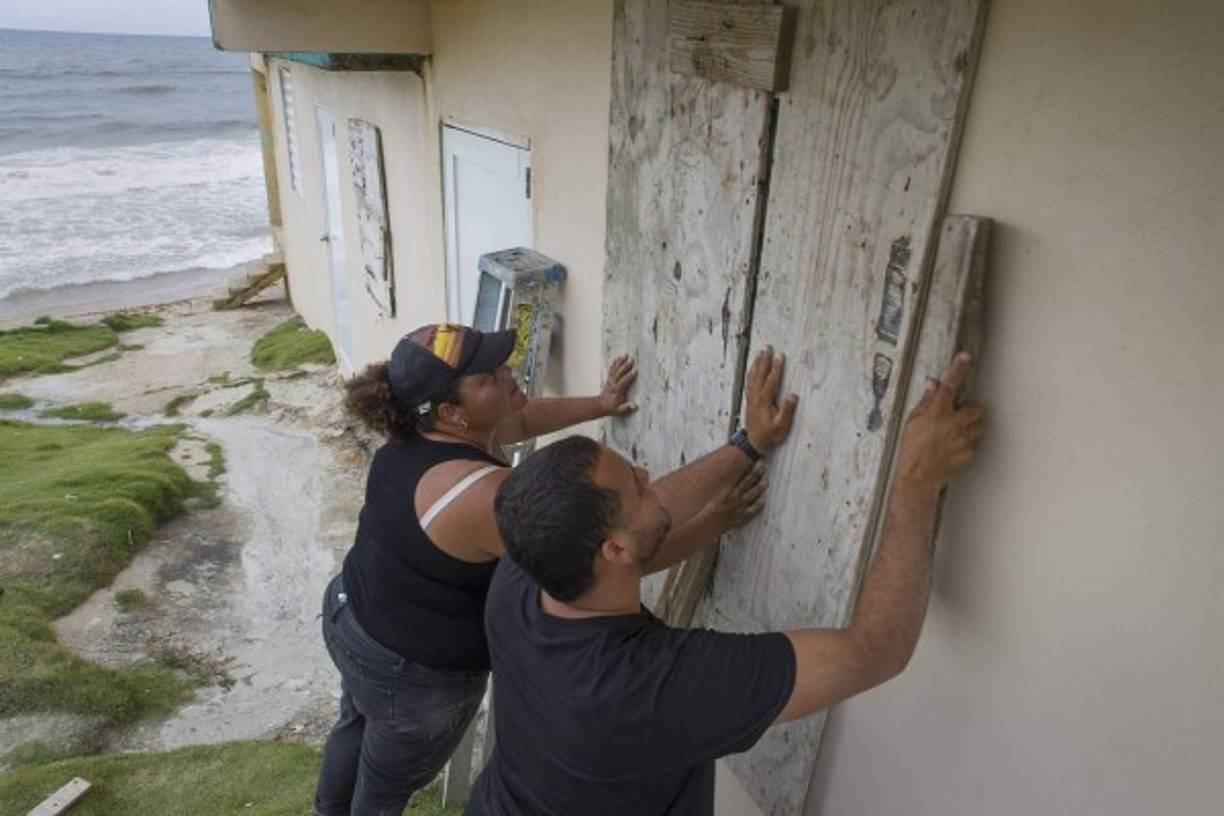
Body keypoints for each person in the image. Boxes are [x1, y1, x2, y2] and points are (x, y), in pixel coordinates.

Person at [467, 350, 986, 815]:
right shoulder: (642, 691)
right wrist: (916, 485)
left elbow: (640, 528)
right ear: (615, 550)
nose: (649, 475)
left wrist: (747, 445)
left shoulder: (528, 567)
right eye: (635, 483)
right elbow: (876, 650)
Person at [313, 322, 763, 815]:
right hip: (413, 671)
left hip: (350, 615)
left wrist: (600, 404)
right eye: (487, 376)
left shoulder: (422, 429)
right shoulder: (483, 497)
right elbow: (631, 544)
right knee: (383, 786)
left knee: (353, 730)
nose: (507, 374)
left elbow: (520, 421)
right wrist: (745, 452)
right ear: (451, 412)